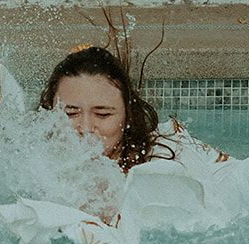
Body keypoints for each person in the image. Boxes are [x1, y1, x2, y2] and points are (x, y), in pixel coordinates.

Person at [38, 45, 176, 172]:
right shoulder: (34, 166)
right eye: (70, 113)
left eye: (102, 114)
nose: (86, 128)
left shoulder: (162, 166)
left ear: (128, 115)